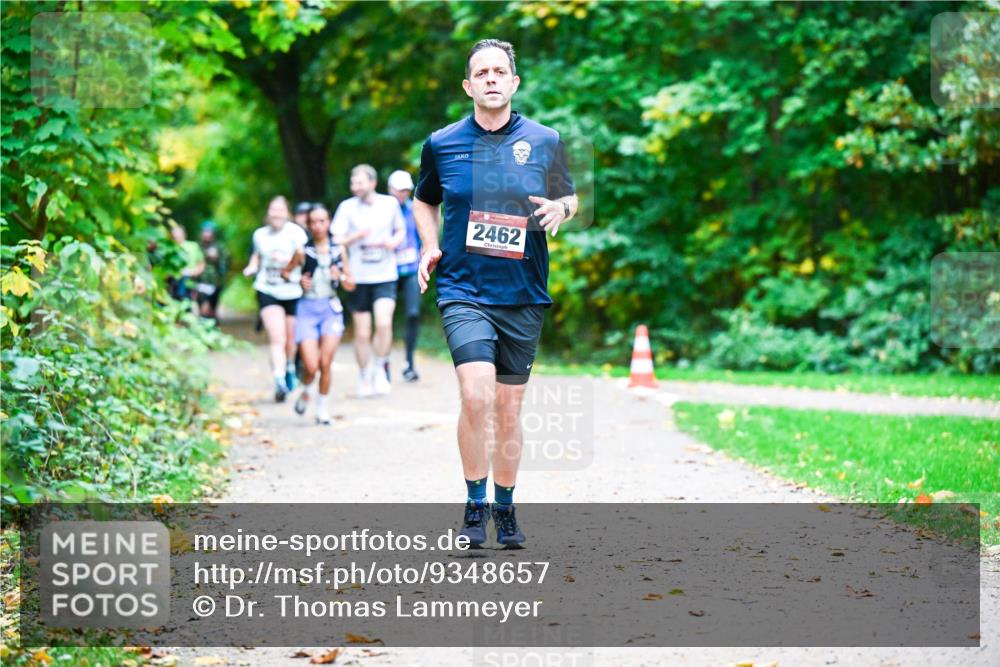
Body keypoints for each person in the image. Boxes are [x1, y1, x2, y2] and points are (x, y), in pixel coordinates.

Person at [413, 39, 577, 548]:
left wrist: (561, 210)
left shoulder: (545, 140)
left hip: (523, 292)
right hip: (463, 287)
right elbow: (424, 201)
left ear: (513, 82)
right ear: (468, 86)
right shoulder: (441, 143)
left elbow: (568, 194)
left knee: (508, 408)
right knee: (476, 393)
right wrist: (428, 246)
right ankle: (473, 504)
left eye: (499, 71)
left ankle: (505, 509)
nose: (490, 78)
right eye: (480, 72)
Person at [331, 164, 405, 398]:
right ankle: (364, 375)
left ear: (373, 183)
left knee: (384, 323)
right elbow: (336, 239)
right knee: (362, 333)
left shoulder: (390, 203)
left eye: (360, 182)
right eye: (353, 183)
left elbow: (400, 230)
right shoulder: (346, 207)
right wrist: (356, 236)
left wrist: (394, 242)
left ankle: (380, 367)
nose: (355, 186)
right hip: (358, 276)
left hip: (385, 274)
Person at [242, 196, 308, 402]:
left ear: (286, 213)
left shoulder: (296, 233)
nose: (276, 214)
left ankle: (289, 368)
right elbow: (257, 256)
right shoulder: (260, 235)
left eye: (280, 210)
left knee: (290, 340)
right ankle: (279, 380)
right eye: (273, 210)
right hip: (267, 289)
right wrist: (251, 267)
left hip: (292, 291)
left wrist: (287, 262)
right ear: (268, 213)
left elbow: (305, 258)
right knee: (276, 338)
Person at [293, 204, 354, 424]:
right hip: (307, 309)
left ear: (328, 222)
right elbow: (285, 274)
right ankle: (306, 388)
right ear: (308, 225)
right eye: (314, 222)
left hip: (330, 309)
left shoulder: (339, 250)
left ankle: (322, 410)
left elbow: (351, 285)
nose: (318, 226)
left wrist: (342, 277)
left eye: (322, 221)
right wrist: (298, 280)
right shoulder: (302, 251)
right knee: (311, 365)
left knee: (325, 363)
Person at [388, 169, 423, 382]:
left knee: (412, 313)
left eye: (406, 190)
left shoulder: (415, 209)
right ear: (390, 190)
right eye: (399, 190)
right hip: (387, 271)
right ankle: (382, 362)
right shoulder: (382, 210)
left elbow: (423, 235)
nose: (403, 194)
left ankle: (409, 362)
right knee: (385, 317)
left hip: (410, 268)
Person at [195, 220, 229, 322]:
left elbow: (224, 266)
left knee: (212, 307)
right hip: (199, 281)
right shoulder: (197, 247)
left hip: (215, 282)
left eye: (209, 232)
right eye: (205, 232)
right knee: (202, 307)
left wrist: (217, 259)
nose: (206, 234)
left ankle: (212, 324)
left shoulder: (220, 247)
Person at [167, 224, 204, 304]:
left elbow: (201, 263)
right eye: (175, 234)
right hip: (172, 281)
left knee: (187, 302)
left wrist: (195, 272)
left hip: (189, 279)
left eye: (179, 234)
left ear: (184, 234)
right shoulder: (168, 247)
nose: (177, 236)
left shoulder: (193, 246)